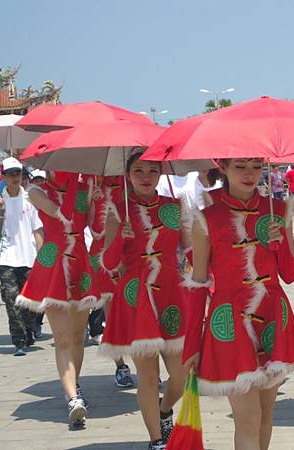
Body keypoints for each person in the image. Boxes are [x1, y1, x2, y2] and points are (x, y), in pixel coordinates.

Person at [183, 158, 294, 450]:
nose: (250, 174)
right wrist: (192, 344)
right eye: (240, 166)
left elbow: (289, 275)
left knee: (265, 413)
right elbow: (199, 283)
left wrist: (280, 244)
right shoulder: (206, 218)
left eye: (255, 166)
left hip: (273, 316)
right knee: (248, 416)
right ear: (223, 168)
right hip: (229, 322)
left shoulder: (278, 211)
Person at [99, 152, 191, 450]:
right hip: (135, 296)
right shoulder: (117, 209)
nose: (146, 176)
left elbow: (190, 251)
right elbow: (110, 264)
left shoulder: (175, 206)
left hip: (172, 294)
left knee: (182, 373)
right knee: (148, 375)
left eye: (152, 170)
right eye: (138, 170)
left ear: (162, 172)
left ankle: (164, 410)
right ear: (128, 175)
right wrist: (120, 239)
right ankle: (155, 439)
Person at [16, 171, 106, 426]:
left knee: (78, 337)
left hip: (79, 259)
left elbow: (94, 227)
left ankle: (74, 386)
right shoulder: (37, 190)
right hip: (54, 260)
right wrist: (83, 192)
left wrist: (100, 205)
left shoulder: (86, 186)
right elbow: (60, 214)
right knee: (63, 339)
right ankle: (72, 398)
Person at [0, 158, 43, 356]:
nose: (15, 177)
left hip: (28, 257)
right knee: (11, 301)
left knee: (31, 302)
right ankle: (19, 341)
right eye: (10, 174)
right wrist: (1, 212)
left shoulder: (30, 199)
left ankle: (30, 326)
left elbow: (37, 230)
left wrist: (42, 257)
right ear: (3, 177)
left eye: (18, 173)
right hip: (7, 257)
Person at [86, 175, 134, 388]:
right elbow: (95, 230)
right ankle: (120, 365)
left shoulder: (132, 180)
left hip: (132, 255)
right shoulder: (93, 183)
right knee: (111, 313)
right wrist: (92, 200)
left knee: (137, 312)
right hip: (103, 255)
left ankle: (146, 363)